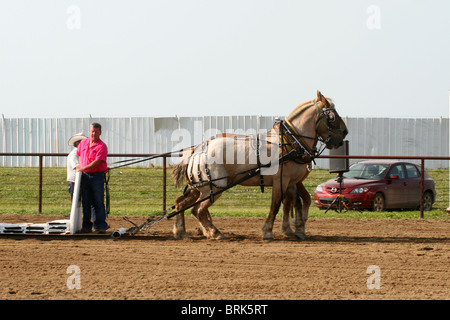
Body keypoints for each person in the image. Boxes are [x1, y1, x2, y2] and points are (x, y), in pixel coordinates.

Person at [76, 123, 109, 233]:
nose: (93, 133)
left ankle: (100, 226)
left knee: (98, 201)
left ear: (100, 132)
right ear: (89, 132)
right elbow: (80, 155)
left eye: (96, 131)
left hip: (97, 176)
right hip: (85, 176)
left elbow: (97, 161)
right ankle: (86, 226)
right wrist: (82, 167)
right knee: (86, 201)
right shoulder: (83, 143)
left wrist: (82, 168)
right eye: (92, 131)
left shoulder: (102, 146)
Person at [67, 132, 87, 202]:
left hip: (79, 180)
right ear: (77, 143)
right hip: (74, 181)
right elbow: (77, 167)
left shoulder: (80, 153)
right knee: (76, 202)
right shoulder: (74, 154)